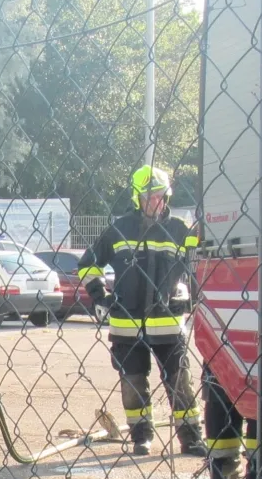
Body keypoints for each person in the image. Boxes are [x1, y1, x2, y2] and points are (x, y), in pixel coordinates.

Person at [76, 163, 206, 458]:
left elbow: (199, 262)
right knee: (133, 384)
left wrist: (189, 295)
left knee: (180, 382)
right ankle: (141, 437)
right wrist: (100, 295)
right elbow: (87, 264)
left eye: (159, 196)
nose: (154, 202)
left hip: (169, 322)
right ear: (137, 198)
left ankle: (191, 439)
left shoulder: (180, 230)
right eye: (148, 197)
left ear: (167, 196)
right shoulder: (119, 229)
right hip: (127, 323)